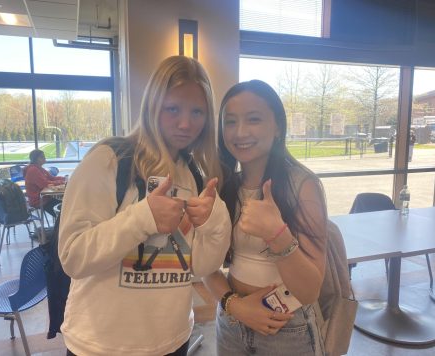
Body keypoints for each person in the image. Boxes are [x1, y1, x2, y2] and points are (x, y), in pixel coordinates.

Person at [58, 56, 231, 356]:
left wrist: (216, 223)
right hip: (101, 346)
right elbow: (73, 257)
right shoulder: (109, 159)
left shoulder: (193, 174)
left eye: (197, 112)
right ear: (152, 105)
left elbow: (201, 267)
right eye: (172, 108)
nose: (186, 123)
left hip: (173, 340)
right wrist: (143, 218)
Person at [203, 80, 328, 355]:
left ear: (278, 127)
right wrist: (234, 305)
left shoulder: (302, 185)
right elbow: (203, 264)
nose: (240, 132)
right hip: (231, 320)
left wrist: (277, 235)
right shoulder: (224, 185)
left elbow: (310, 291)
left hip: (286, 327)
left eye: (254, 119)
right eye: (230, 121)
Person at [23, 149, 65, 217]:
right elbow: (44, 184)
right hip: (39, 201)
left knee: (66, 205)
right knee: (64, 211)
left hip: (46, 198)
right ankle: (61, 224)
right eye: (42, 157)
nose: (44, 158)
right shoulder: (33, 170)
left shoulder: (39, 168)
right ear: (36, 159)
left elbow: (52, 178)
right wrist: (62, 182)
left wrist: (64, 178)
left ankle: (62, 224)